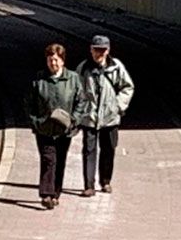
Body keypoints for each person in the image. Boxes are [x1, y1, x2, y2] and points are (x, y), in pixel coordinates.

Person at [24, 43, 87, 210]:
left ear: (63, 61)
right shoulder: (38, 79)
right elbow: (29, 103)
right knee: (48, 159)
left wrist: (74, 120)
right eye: (50, 60)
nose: (53, 64)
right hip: (44, 129)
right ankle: (46, 194)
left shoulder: (73, 79)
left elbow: (81, 101)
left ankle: (55, 193)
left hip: (64, 129)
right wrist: (35, 122)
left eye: (56, 60)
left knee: (60, 161)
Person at [76, 35, 134, 197]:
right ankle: (89, 185)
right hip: (90, 117)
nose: (99, 53)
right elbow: (76, 90)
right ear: (91, 49)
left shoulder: (116, 67)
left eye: (102, 50)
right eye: (96, 50)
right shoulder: (83, 68)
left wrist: (118, 106)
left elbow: (127, 87)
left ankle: (105, 181)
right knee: (89, 150)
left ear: (108, 51)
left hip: (110, 117)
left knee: (108, 149)